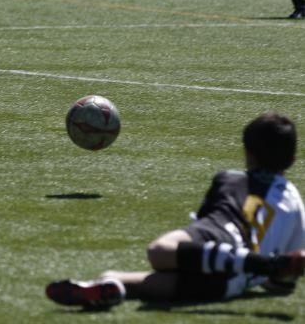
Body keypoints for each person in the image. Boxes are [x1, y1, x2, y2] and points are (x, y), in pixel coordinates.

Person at [46, 112, 305, 310]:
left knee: (159, 251)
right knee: (118, 278)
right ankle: (112, 286)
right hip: (230, 285)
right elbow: (282, 284)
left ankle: (253, 261)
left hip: (221, 242)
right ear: (292, 160)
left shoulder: (230, 179)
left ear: (247, 152)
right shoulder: (295, 204)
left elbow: (202, 230)